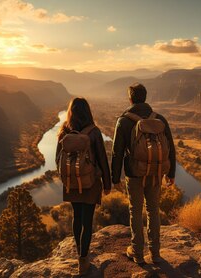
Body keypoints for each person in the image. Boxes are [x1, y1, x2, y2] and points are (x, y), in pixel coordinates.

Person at [111, 83, 176, 264]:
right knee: (153, 210)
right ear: (145, 97)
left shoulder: (123, 121)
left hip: (134, 173)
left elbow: (117, 152)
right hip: (155, 173)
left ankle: (137, 252)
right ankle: (155, 253)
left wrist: (115, 177)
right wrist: (171, 173)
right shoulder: (160, 119)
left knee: (136, 211)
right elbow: (170, 148)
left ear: (130, 98)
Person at [56, 98, 111, 275]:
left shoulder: (64, 131)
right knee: (87, 222)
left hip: (71, 183)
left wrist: (67, 177)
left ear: (71, 111)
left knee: (77, 217)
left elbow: (58, 159)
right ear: (88, 111)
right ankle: (83, 260)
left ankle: (80, 254)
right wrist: (107, 184)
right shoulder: (93, 132)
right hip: (90, 183)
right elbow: (102, 158)